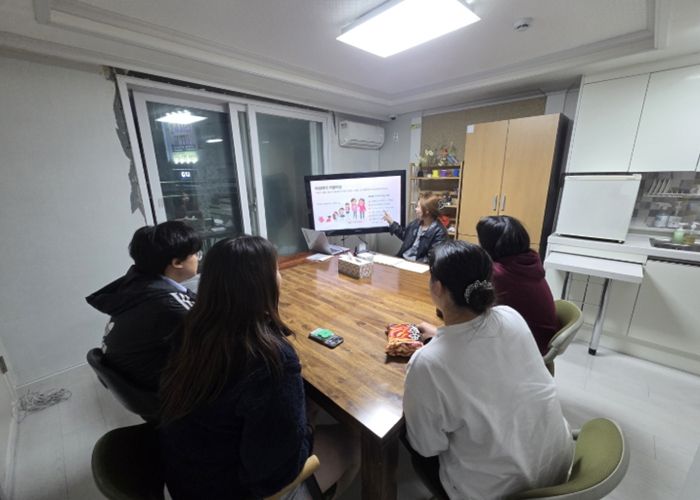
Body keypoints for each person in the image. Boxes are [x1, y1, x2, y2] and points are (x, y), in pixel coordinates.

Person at [158, 236, 359, 500]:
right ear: (261, 284)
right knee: (354, 440)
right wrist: (306, 427)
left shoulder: (190, 329)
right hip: (233, 490)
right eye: (276, 270)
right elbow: (275, 474)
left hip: (185, 478)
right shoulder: (270, 359)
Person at [403, 241, 574, 499]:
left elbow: (427, 447)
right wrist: (440, 337)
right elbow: (478, 348)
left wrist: (436, 348)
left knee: (412, 442)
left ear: (437, 288)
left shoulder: (427, 363)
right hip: (557, 465)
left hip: (501, 492)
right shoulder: (510, 316)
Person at [85, 221, 201, 392]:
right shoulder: (168, 304)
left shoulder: (135, 284)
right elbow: (218, 333)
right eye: (196, 254)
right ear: (177, 262)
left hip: (134, 377)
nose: (198, 258)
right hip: (162, 389)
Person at [476, 215, 559, 355]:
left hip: (527, 348)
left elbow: (469, 307)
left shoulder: (499, 274)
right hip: (541, 337)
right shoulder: (530, 260)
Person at [383, 195, 447, 262]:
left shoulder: (440, 232)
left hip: (417, 264)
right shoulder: (416, 223)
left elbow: (432, 258)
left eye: (418, 207)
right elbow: (405, 236)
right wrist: (391, 222)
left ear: (427, 211)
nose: (415, 209)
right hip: (403, 259)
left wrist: (413, 264)